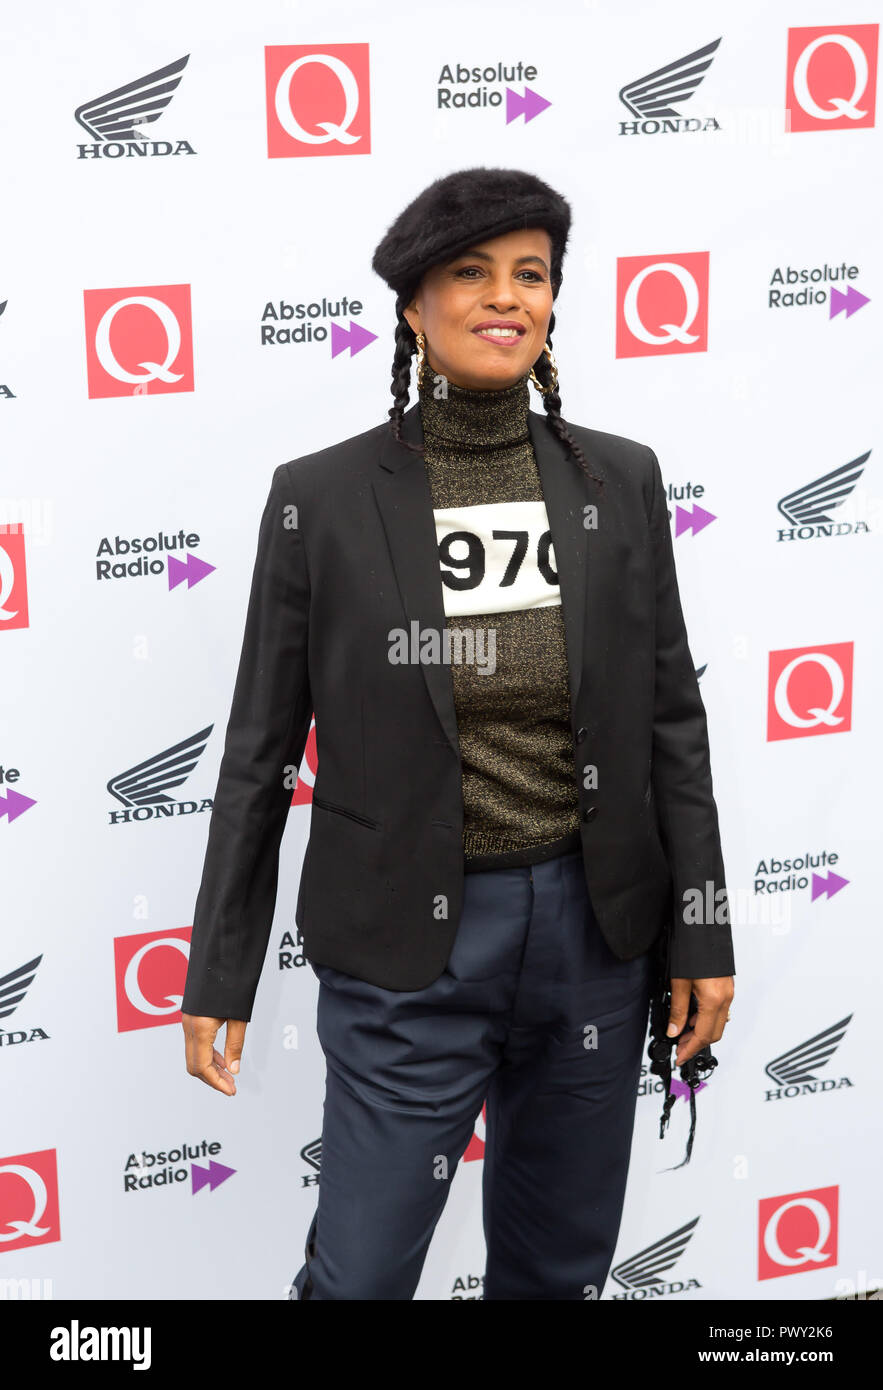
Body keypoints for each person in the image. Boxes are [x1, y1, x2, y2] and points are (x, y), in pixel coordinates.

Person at [180, 166, 735, 1301]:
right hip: (406, 959)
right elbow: (258, 750)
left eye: (529, 274)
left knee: (557, 1269)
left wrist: (700, 931)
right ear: (413, 308)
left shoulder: (617, 482)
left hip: (592, 940)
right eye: (469, 272)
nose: (505, 296)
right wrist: (222, 968)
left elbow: (672, 722)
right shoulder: (323, 500)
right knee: (361, 1276)